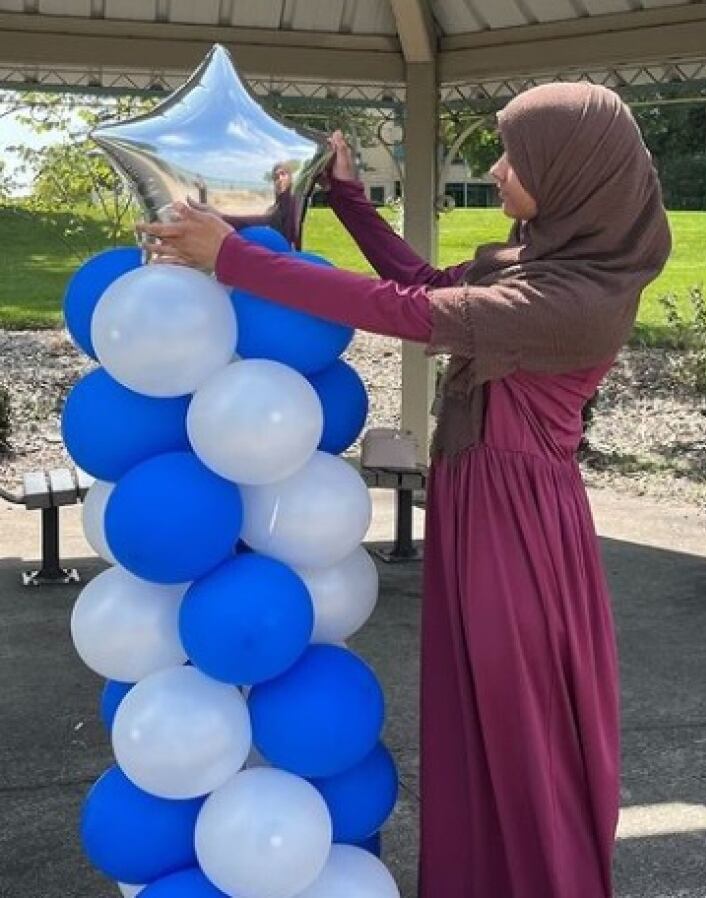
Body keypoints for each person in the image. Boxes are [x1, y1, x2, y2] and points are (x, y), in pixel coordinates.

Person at [138, 82, 671, 898]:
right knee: (480, 717)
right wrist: (350, 199)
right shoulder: (544, 262)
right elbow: (424, 285)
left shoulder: (576, 300)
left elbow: (406, 314)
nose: (494, 172)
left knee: (515, 720)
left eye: (513, 156)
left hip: (517, 531)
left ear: (569, 174)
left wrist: (235, 257)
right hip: (483, 510)